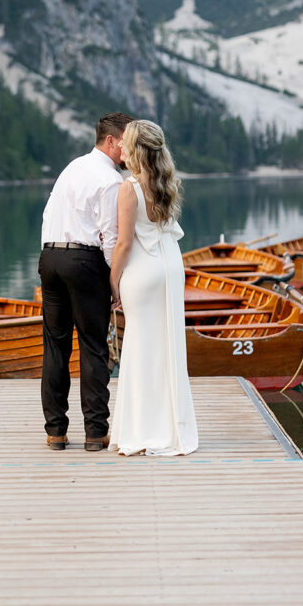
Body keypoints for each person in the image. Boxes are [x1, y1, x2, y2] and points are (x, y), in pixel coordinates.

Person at [39, 112, 134, 451]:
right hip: (84, 261)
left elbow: (48, 216)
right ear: (111, 141)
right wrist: (114, 282)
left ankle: (56, 432)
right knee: (93, 347)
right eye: (126, 143)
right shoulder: (110, 181)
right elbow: (111, 239)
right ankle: (95, 433)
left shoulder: (72, 168)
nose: (129, 151)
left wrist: (50, 259)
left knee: (55, 346)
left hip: (49, 257)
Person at [109, 119, 198, 456]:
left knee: (141, 351)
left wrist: (113, 281)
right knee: (169, 348)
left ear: (133, 149)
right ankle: (172, 428)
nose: (120, 149)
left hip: (143, 274)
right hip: (172, 268)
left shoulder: (128, 188)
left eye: (124, 144)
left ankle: (142, 430)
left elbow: (123, 244)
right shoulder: (167, 182)